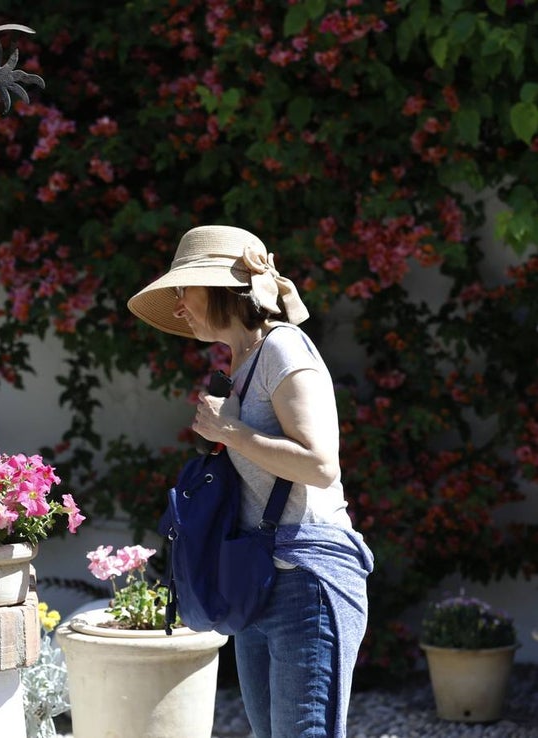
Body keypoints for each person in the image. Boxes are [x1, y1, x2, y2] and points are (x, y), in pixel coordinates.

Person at [126, 225, 374, 738]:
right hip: (258, 575)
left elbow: (321, 464)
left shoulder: (283, 348)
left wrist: (228, 431)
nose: (177, 306)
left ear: (223, 289)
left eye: (183, 289)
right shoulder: (239, 365)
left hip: (307, 575)